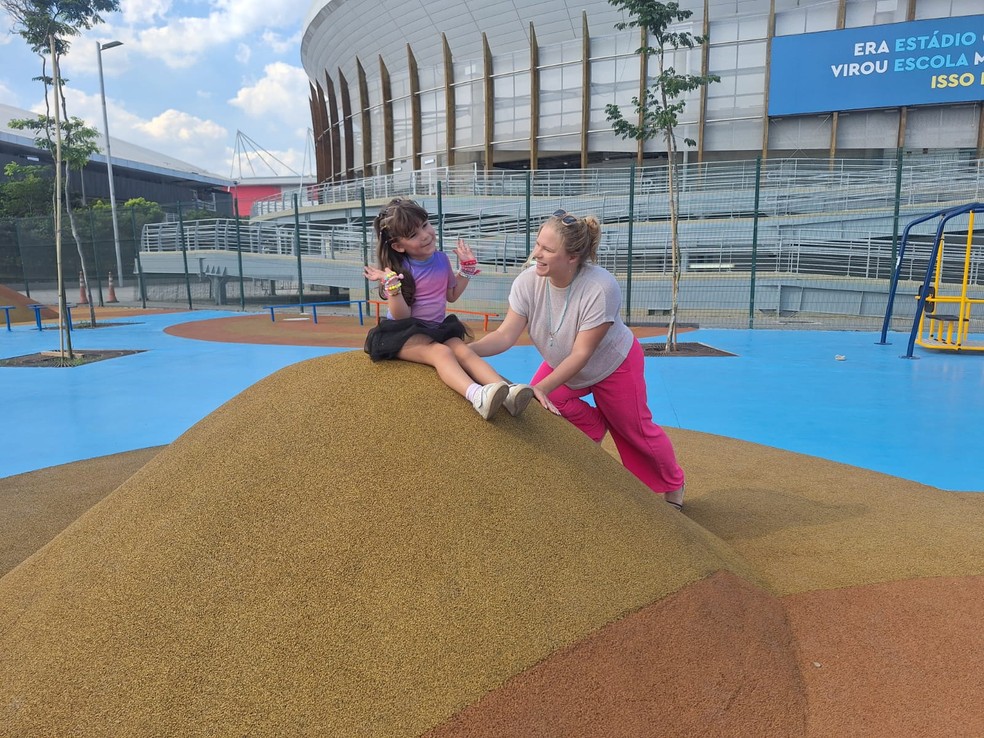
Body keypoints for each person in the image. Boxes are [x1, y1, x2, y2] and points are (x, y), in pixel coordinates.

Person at [470, 209, 686, 509]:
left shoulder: (600, 287)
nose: (537, 254)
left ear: (572, 257)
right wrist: (467, 351)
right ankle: (595, 426)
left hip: (613, 364)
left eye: (547, 249)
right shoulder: (527, 282)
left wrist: (542, 387)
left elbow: (583, 353)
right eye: (537, 244)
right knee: (537, 407)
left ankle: (673, 486)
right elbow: (505, 335)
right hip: (564, 364)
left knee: (633, 429)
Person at [363, 197, 536, 420]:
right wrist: (393, 288)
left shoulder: (441, 260)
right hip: (402, 336)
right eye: (413, 234)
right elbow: (401, 316)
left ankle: (507, 394)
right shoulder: (398, 270)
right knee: (442, 352)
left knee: (461, 348)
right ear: (398, 246)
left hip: (435, 329)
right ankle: (477, 396)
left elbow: (451, 295)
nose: (425, 235)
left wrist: (466, 270)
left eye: (425, 225)